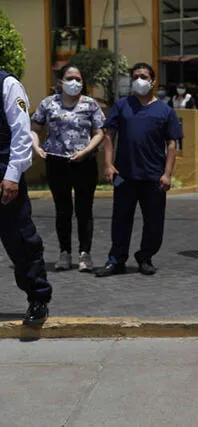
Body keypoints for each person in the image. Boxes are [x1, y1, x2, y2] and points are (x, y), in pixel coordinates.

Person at [95, 62, 182, 277]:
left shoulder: (165, 110)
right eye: (135, 76)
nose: (139, 80)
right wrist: (108, 164)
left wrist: (167, 173)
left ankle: (145, 256)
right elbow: (109, 134)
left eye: (144, 76)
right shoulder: (122, 105)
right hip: (125, 174)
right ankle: (116, 260)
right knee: (120, 219)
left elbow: (172, 143)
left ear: (153, 81)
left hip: (153, 176)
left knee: (154, 222)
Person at [31, 64, 105, 272]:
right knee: (63, 210)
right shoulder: (48, 104)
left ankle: (85, 254)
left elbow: (99, 132)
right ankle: (64, 253)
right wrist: (36, 145)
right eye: (70, 78)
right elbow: (35, 128)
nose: (75, 83)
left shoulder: (91, 105)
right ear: (60, 82)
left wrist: (86, 150)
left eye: (78, 79)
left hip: (84, 163)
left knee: (84, 210)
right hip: (56, 162)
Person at [0, 69, 53, 324]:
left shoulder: (8, 84)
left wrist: (12, 175)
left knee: (21, 240)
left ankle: (38, 299)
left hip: (3, 178)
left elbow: (21, 133)